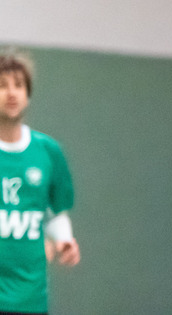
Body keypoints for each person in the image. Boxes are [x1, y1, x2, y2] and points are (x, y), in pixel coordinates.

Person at [0, 48, 80, 315]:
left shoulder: (48, 152)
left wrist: (63, 239)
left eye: (19, 86)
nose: (11, 93)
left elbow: (55, 212)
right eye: (2, 86)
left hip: (29, 299)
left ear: (27, 95)